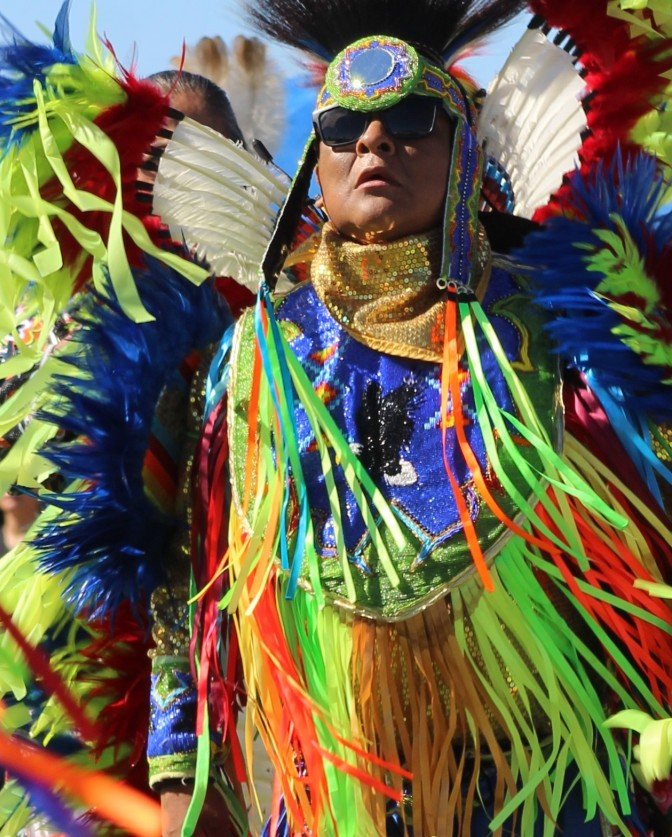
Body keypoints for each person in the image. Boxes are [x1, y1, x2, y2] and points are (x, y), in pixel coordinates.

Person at [146, 0, 672, 835]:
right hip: (342, 799)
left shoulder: (551, 328)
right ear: (313, 165)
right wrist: (189, 779)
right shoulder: (256, 359)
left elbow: (647, 542)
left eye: (412, 120)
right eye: (345, 124)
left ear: (463, 144)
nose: (376, 142)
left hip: (548, 788)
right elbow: (196, 594)